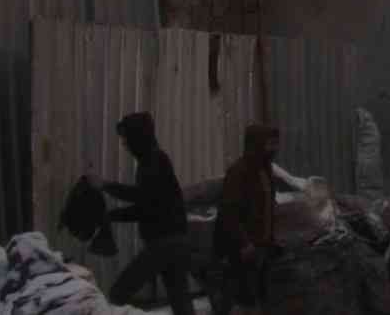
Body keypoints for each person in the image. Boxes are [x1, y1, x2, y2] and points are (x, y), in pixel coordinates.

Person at [88, 112, 195, 315]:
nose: (124, 144)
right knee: (180, 302)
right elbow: (146, 207)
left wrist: (105, 185)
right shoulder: (152, 160)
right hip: (174, 241)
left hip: (164, 243)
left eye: (126, 138)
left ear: (138, 137)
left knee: (118, 294)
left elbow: (141, 198)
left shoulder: (155, 161)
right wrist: (111, 215)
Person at [215, 124, 283, 315]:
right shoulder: (239, 171)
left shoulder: (265, 170)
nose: (274, 149)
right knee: (244, 302)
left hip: (261, 247)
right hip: (244, 249)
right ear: (256, 144)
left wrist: (270, 240)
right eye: (270, 144)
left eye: (276, 144)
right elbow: (229, 212)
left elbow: (267, 207)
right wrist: (244, 243)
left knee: (259, 300)